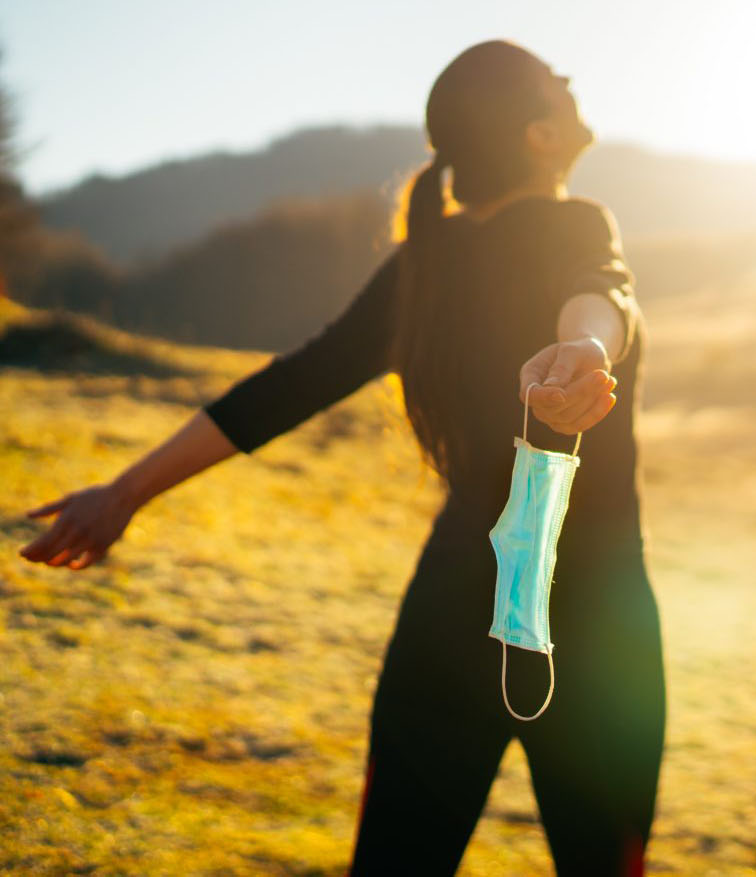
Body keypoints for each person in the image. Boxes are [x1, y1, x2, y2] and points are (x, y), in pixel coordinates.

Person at [16, 40, 666, 876]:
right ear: (538, 135)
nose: (572, 82)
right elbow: (603, 285)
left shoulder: (422, 265)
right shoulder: (568, 221)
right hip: (597, 617)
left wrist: (126, 491)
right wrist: (585, 342)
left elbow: (288, 385)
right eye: (554, 81)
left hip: (449, 611)